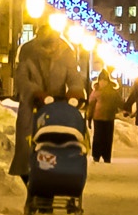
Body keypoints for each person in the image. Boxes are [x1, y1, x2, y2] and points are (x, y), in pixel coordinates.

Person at [10, 20, 85, 188]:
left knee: (56, 143)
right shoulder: (27, 51)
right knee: (27, 146)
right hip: (32, 104)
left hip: (57, 106)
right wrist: (35, 92)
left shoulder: (66, 51)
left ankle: (52, 179)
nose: (50, 50)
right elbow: (21, 78)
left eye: (52, 45)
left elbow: (74, 75)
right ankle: (30, 180)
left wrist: (75, 91)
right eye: (46, 46)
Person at [85, 68, 123, 162]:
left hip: (109, 117)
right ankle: (96, 155)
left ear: (107, 81)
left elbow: (120, 103)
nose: (103, 82)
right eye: (101, 80)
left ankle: (106, 156)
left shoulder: (113, 92)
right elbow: (91, 106)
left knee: (107, 138)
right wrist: (89, 118)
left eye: (104, 80)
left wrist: (125, 109)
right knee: (98, 137)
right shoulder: (96, 92)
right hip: (98, 118)